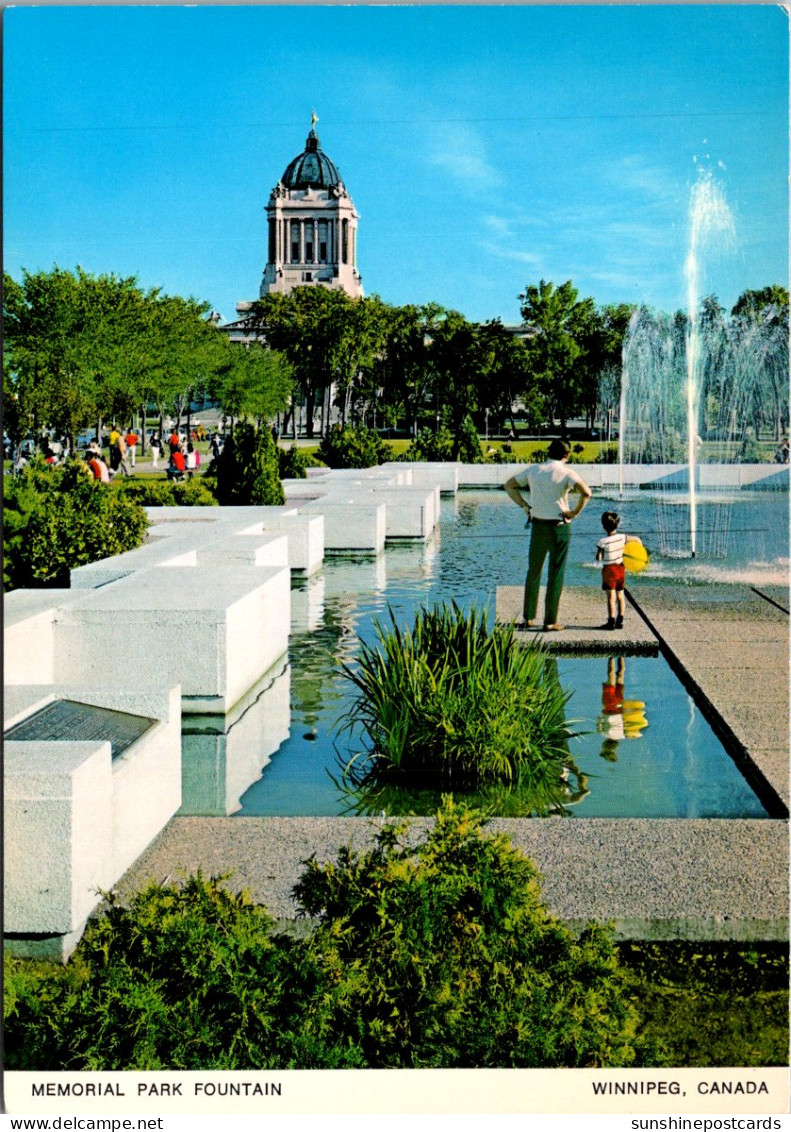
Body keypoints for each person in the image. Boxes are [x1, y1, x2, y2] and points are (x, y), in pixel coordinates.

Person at [504, 438, 592, 631]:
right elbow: (587, 492)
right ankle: (550, 621)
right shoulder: (568, 473)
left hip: (538, 526)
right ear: (566, 455)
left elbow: (509, 485)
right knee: (556, 573)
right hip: (560, 527)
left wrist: (525, 506)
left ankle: (528, 617)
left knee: (533, 571)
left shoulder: (534, 470)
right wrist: (574, 513)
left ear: (549, 451)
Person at [595, 510, 642, 630]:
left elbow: (598, 557)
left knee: (611, 597)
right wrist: (640, 548)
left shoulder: (602, 541)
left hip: (609, 570)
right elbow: (636, 539)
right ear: (617, 524)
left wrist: (599, 557)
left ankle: (611, 621)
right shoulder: (623, 537)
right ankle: (620, 620)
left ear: (603, 526)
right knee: (620, 595)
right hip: (621, 568)